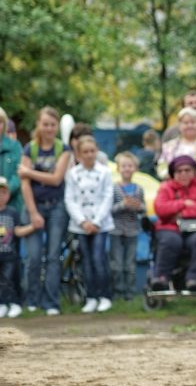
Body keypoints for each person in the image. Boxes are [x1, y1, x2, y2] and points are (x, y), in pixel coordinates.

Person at [19, 107, 72, 316]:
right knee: (33, 257)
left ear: (57, 126)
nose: (49, 128)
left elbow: (57, 179)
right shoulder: (29, 149)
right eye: (45, 124)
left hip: (57, 207)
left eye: (52, 124)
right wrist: (33, 213)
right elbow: (25, 185)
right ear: (38, 125)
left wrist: (30, 172)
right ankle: (32, 299)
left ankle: (51, 302)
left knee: (52, 256)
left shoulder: (63, 149)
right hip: (34, 207)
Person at [151, 155, 196, 292]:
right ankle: (161, 278)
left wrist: (181, 214)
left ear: (194, 171)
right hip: (170, 228)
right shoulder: (165, 187)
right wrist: (183, 203)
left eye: (188, 170)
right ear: (173, 174)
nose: (184, 174)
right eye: (179, 171)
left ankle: (194, 279)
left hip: (195, 228)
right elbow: (160, 209)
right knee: (171, 240)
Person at [64, 136, 114, 313]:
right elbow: (70, 199)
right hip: (81, 225)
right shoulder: (73, 174)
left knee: (98, 259)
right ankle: (91, 296)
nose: (89, 155)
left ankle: (105, 296)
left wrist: (96, 221)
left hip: (100, 225)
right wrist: (82, 221)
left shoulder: (105, 172)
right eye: (85, 151)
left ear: (97, 151)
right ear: (78, 154)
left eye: (92, 151)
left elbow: (108, 197)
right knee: (86, 261)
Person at [110, 152, 145, 302]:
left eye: (130, 166)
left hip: (132, 230)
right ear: (118, 168)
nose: (127, 169)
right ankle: (117, 291)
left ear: (135, 168)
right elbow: (109, 210)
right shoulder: (113, 188)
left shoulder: (139, 189)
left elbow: (143, 208)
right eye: (124, 166)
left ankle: (130, 293)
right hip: (116, 230)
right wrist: (123, 205)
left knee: (130, 264)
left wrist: (138, 206)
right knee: (116, 264)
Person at [156, 107, 196, 181]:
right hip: (175, 187)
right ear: (179, 125)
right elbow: (162, 168)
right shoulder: (169, 146)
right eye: (186, 123)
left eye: (193, 122)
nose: (190, 125)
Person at [0, 175, 32, 319]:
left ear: (7, 194)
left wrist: (32, 227)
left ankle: (14, 303)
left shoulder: (12, 212)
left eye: (3, 192)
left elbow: (18, 230)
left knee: (10, 279)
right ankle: (2, 304)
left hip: (10, 254)